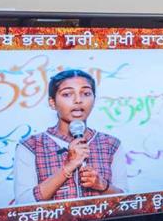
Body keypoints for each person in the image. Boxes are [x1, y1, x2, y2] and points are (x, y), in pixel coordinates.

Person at [14, 69, 126, 203]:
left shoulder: (111, 144)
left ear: (94, 100)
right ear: (52, 103)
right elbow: (24, 203)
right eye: (67, 94)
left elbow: (127, 202)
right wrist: (68, 167)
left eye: (86, 93)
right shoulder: (31, 146)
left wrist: (103, 185)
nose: (78, 100)